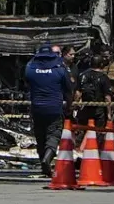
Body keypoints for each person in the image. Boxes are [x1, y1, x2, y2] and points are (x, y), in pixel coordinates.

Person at [24, 44, 75, 176]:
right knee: (54, 135)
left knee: (40, 137)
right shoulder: (59, 69)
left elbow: (26, 83)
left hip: (37, 108)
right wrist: (69, 106)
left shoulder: (31, 69)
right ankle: (47, 159)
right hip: (54, 108)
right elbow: (69, 90)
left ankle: (43, 163)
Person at [74, 50, 113, 129]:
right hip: (99, 111)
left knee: (83, 131)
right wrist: (109, 113)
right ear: (101, 64)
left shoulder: (82, 75)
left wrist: (75, 105)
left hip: (85, 108)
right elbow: (107, 97)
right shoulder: (104, 77)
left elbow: (78, 93)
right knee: (98, 133)